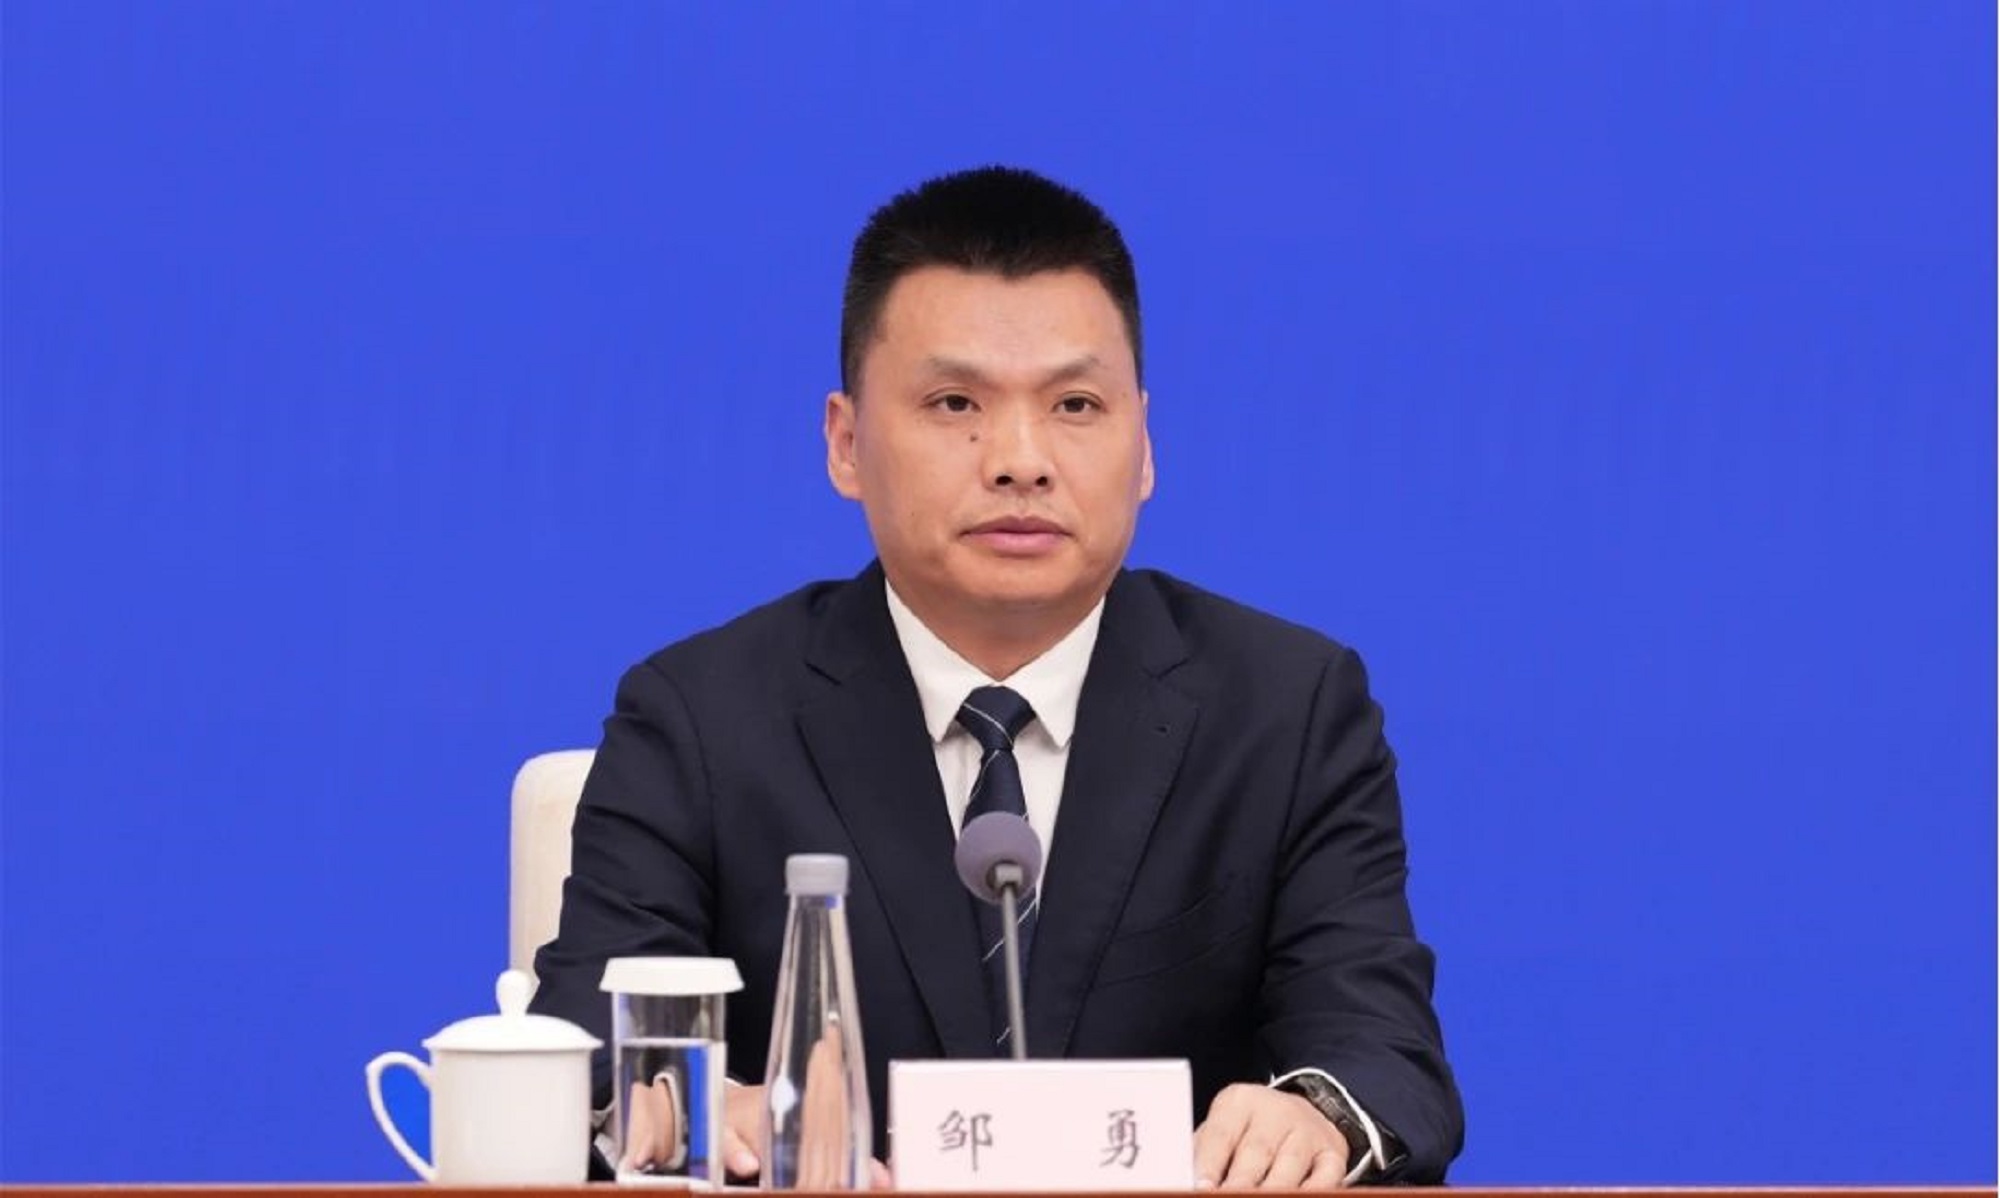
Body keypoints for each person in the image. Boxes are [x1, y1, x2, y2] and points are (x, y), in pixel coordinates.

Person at [529, 165, 1463, 1187]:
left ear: (1144, 444)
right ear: (845, 443)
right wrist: (695, 1106)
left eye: (1075, 403)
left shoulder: (1286, 711)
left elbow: (1382, 1056)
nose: (1020, 459)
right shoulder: (702, 718)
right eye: (954, 402)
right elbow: (584, 1057)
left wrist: (1314, 1114)